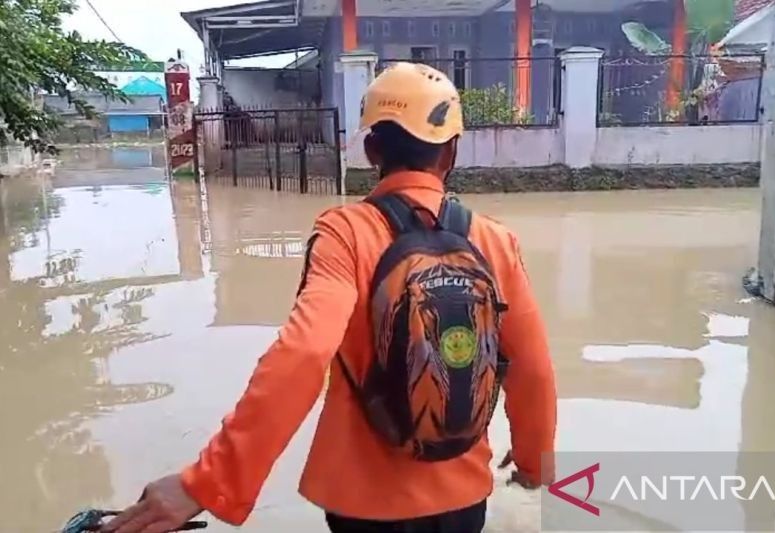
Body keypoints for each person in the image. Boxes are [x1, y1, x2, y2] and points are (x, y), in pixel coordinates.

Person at [103, 62, 556, 533]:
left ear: (371, 148)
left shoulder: (345, 233)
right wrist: (533, 460)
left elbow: (303, 353)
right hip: (462, 493)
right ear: (452, 152)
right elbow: (532, 367)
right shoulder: (494, 240)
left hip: (362, 501)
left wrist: (208, 482)